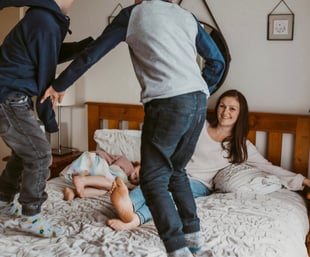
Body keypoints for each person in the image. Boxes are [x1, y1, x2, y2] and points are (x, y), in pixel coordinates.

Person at [40, 0, 225, 255]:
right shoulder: (185, 15)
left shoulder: (133, 15)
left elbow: (91, 54)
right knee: (177, 172)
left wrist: (59, 85)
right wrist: (202, 91)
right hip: (197, 103)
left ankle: (177, 249)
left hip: (168, 103)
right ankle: (193, 241)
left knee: (153, 180)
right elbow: (217, 61)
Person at [106, 89, 310, 233]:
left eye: (232, 109)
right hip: (173, 172)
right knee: (152, 184)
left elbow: (269, 168)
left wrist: (303, 181)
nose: (225, 112)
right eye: (222, 106)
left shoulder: (241, 145)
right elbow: (171, 147)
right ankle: (127, 205)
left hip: (198, 183)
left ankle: (134, 219)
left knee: (169, 194)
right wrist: (146, 165)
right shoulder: (199, 126)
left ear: (240, 114)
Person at [0, 0, 80, 238]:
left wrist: (86, 47)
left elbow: (49, 53)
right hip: (7, 96)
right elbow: (47, 70)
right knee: (41, 154)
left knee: (25, 152)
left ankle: (3, 200)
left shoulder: (45, 19)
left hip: (13, 96)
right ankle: (30, 215)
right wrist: (50, 115)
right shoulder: (44, 20)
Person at [62, 150, 140, 203]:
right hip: (91, 162)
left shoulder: (127, 180)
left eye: (139, 179)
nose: (139, 176)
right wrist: (126, 184)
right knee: (114, 183)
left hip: (84, 173)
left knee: (106, 190)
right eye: (141, 172)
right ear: (140, 165)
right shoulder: (128, 165)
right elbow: (113, 170)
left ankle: (73, 192)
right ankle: (81, 180)